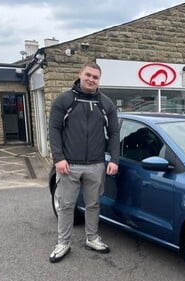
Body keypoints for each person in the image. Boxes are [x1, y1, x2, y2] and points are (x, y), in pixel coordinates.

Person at [48, 61, 120, 263]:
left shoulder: (106, 104)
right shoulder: (65, 100)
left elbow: (114, 133)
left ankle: (92, 238)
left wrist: (114, 159)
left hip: (96, 165)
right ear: (80, 74)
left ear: (99, 80)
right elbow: (53, 130)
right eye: (88, 75)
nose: (91, 79)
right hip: (69, 165)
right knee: (66, 205)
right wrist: (58, 158)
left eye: (95, 77)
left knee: (94, 204)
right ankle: (63, 243)